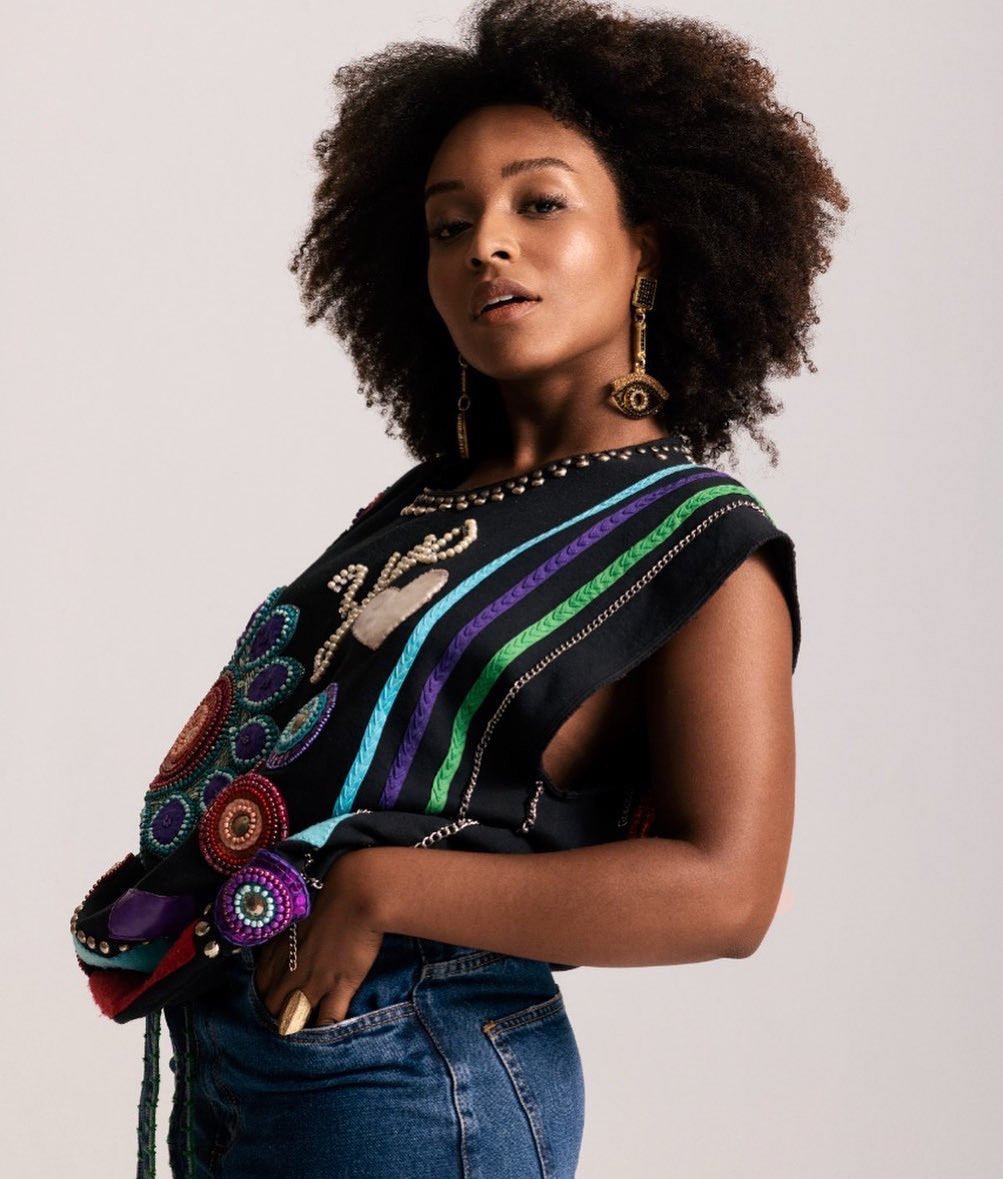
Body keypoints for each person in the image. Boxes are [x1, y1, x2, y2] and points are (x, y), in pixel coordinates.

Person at [69, 1, 847, 1175]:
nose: (486, 244)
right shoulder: (423, 502)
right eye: (448, 223)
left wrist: (379, 889)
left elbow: (726, 893)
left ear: (647, 244)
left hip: (407, 1065)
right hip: (238, 1059)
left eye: (539, 204)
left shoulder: (695, 540)